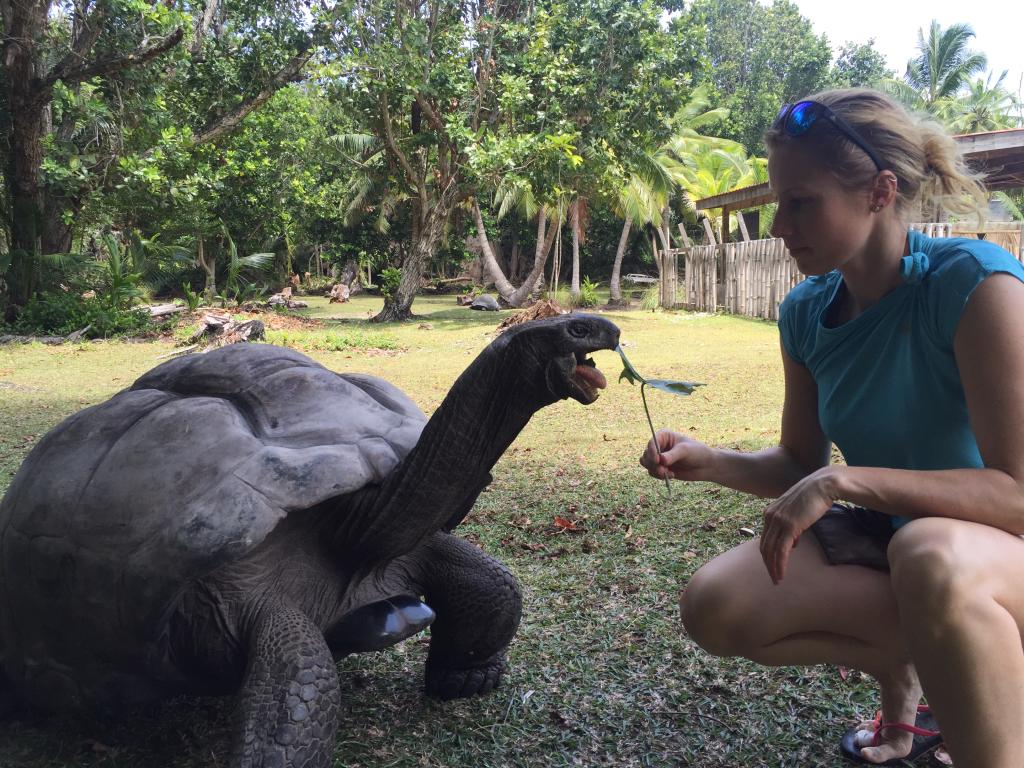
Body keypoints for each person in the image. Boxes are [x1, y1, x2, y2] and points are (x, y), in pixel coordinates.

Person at [640, 87, 1024, 767]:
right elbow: (798, 462)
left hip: (988, 554)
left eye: (801, 202)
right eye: (776, 204)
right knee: (716, 605)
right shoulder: (806, 311)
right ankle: (914, 668)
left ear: (878, 193)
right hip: (902, 545)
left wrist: (846, 479)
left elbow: (1017, 495)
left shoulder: (976, 286)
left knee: (929, 554)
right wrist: (712, 461)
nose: (780, 226)